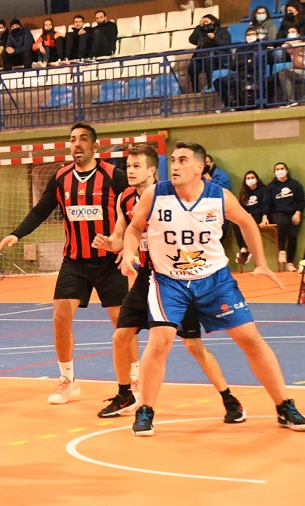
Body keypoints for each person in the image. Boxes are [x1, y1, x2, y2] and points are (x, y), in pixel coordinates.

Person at [120, 141, 305, 436]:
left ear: (200, 167)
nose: (176, 166)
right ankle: (146, 409)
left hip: (214, 280)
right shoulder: (157, 194)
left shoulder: (220, 197)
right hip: (169, 280)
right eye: (174, 161)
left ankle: (284, 405)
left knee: (250, 338)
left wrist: (262, 262)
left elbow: (247, 222)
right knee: (161, 339)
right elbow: (133, 228)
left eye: (183, 160)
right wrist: (129, 252)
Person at [91, 144, 244, 423]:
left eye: (137, 166)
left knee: (192, 345)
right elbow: (121, 236)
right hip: (146, 276)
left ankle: (228, 396)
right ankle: (126, 393)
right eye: (128, 166)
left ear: (152, 170)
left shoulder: (169, 194)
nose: (131, 171)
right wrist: (112, 245)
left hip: (175, 276)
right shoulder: (125, 198)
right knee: (120, 336)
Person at [0, 123, 128, 404]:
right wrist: (17, 234)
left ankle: (133, 381)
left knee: (122, 323)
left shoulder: (114, 176)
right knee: (60, 315)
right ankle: (68, 380)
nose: (76, 144)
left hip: (109, 260)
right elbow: (41, 210)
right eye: (72, 140)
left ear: (95, 145)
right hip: (76, 260)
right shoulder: (61, 178)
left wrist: (127, 246)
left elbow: (131, 212)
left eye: (82, 139)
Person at [267, 162, 304, 271]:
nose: (280, 171)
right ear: (274, 172)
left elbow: (301, 201)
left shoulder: (295, 184)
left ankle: (290, 263)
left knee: (293, 235)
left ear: (287, 170)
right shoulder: (271, 187)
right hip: (277, 213)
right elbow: (267, 203)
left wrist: (298, 213)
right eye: (277, 169)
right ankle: (282, 250)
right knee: (282, 222)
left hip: (293, 214)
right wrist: (265, 216)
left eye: (282, 168)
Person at [213, 28, 260, 110]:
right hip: (238, 73)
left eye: (252, 34)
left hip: (253, 74)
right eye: (248, 35)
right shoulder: (240, 48)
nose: (250, 36)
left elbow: (253, 65)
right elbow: (233, 65)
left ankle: (240, 106)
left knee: (238, 81)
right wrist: (246, 61)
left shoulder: (260, 46)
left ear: (257, 35)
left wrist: (241, 62)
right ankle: (229, 105)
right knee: (217, 82)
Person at [234, 170, 271, 265]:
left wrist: (264, 217)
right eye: (248, 178)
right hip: (248, 216)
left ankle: (247, 250)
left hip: (260, 216)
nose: (250, 180)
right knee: (236, 222)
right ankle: (243, 248)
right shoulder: (244, 192)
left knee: (248, 222)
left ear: (257, 179)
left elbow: (266, 204)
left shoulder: (263, 190)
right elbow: (241, 208)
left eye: (252, 178)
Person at [187, 15, 232, 92]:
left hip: (218, 56)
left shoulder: (222, 31)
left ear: (213, 22)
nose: (204, 24)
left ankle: (211, 86)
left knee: (209, 60)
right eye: (202, 22)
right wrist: (198, 27)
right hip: (201, 57)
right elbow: (192, 40)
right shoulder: (202, 33)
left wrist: (214, 38)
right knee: (192, 66)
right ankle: (195, 90)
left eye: (206, 22)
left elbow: (226, 44)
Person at [279, 26, 305, 106]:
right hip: (300, 71)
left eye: (293, 32)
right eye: (289, 32)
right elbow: (284, 46)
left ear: (298, 34)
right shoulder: (292, 48)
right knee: (282, 73)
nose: (290, 34)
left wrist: (297, 43)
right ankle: (291, 100)